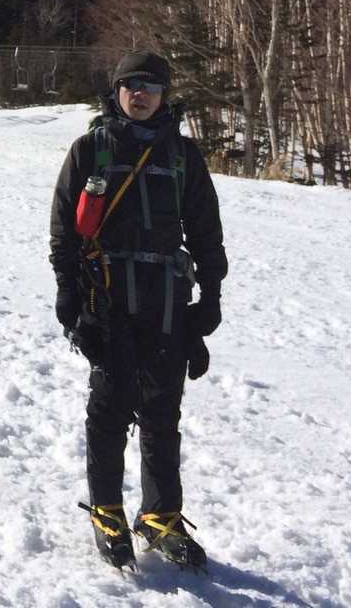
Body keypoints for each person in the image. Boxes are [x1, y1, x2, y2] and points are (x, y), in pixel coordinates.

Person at [48, 51, 226, 571]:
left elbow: (206, 230)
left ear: (165, 95)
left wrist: (210, 297)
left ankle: (160, 515)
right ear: (117, 91)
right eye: (132, 85)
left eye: (151, 86)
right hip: (107, 297)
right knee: (110, 403)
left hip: (166, 298)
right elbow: (64, 230)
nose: (141, 94)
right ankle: (107, 511)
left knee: (162, 409)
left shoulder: (183, 156)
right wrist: (69, 295)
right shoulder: (91, 150)